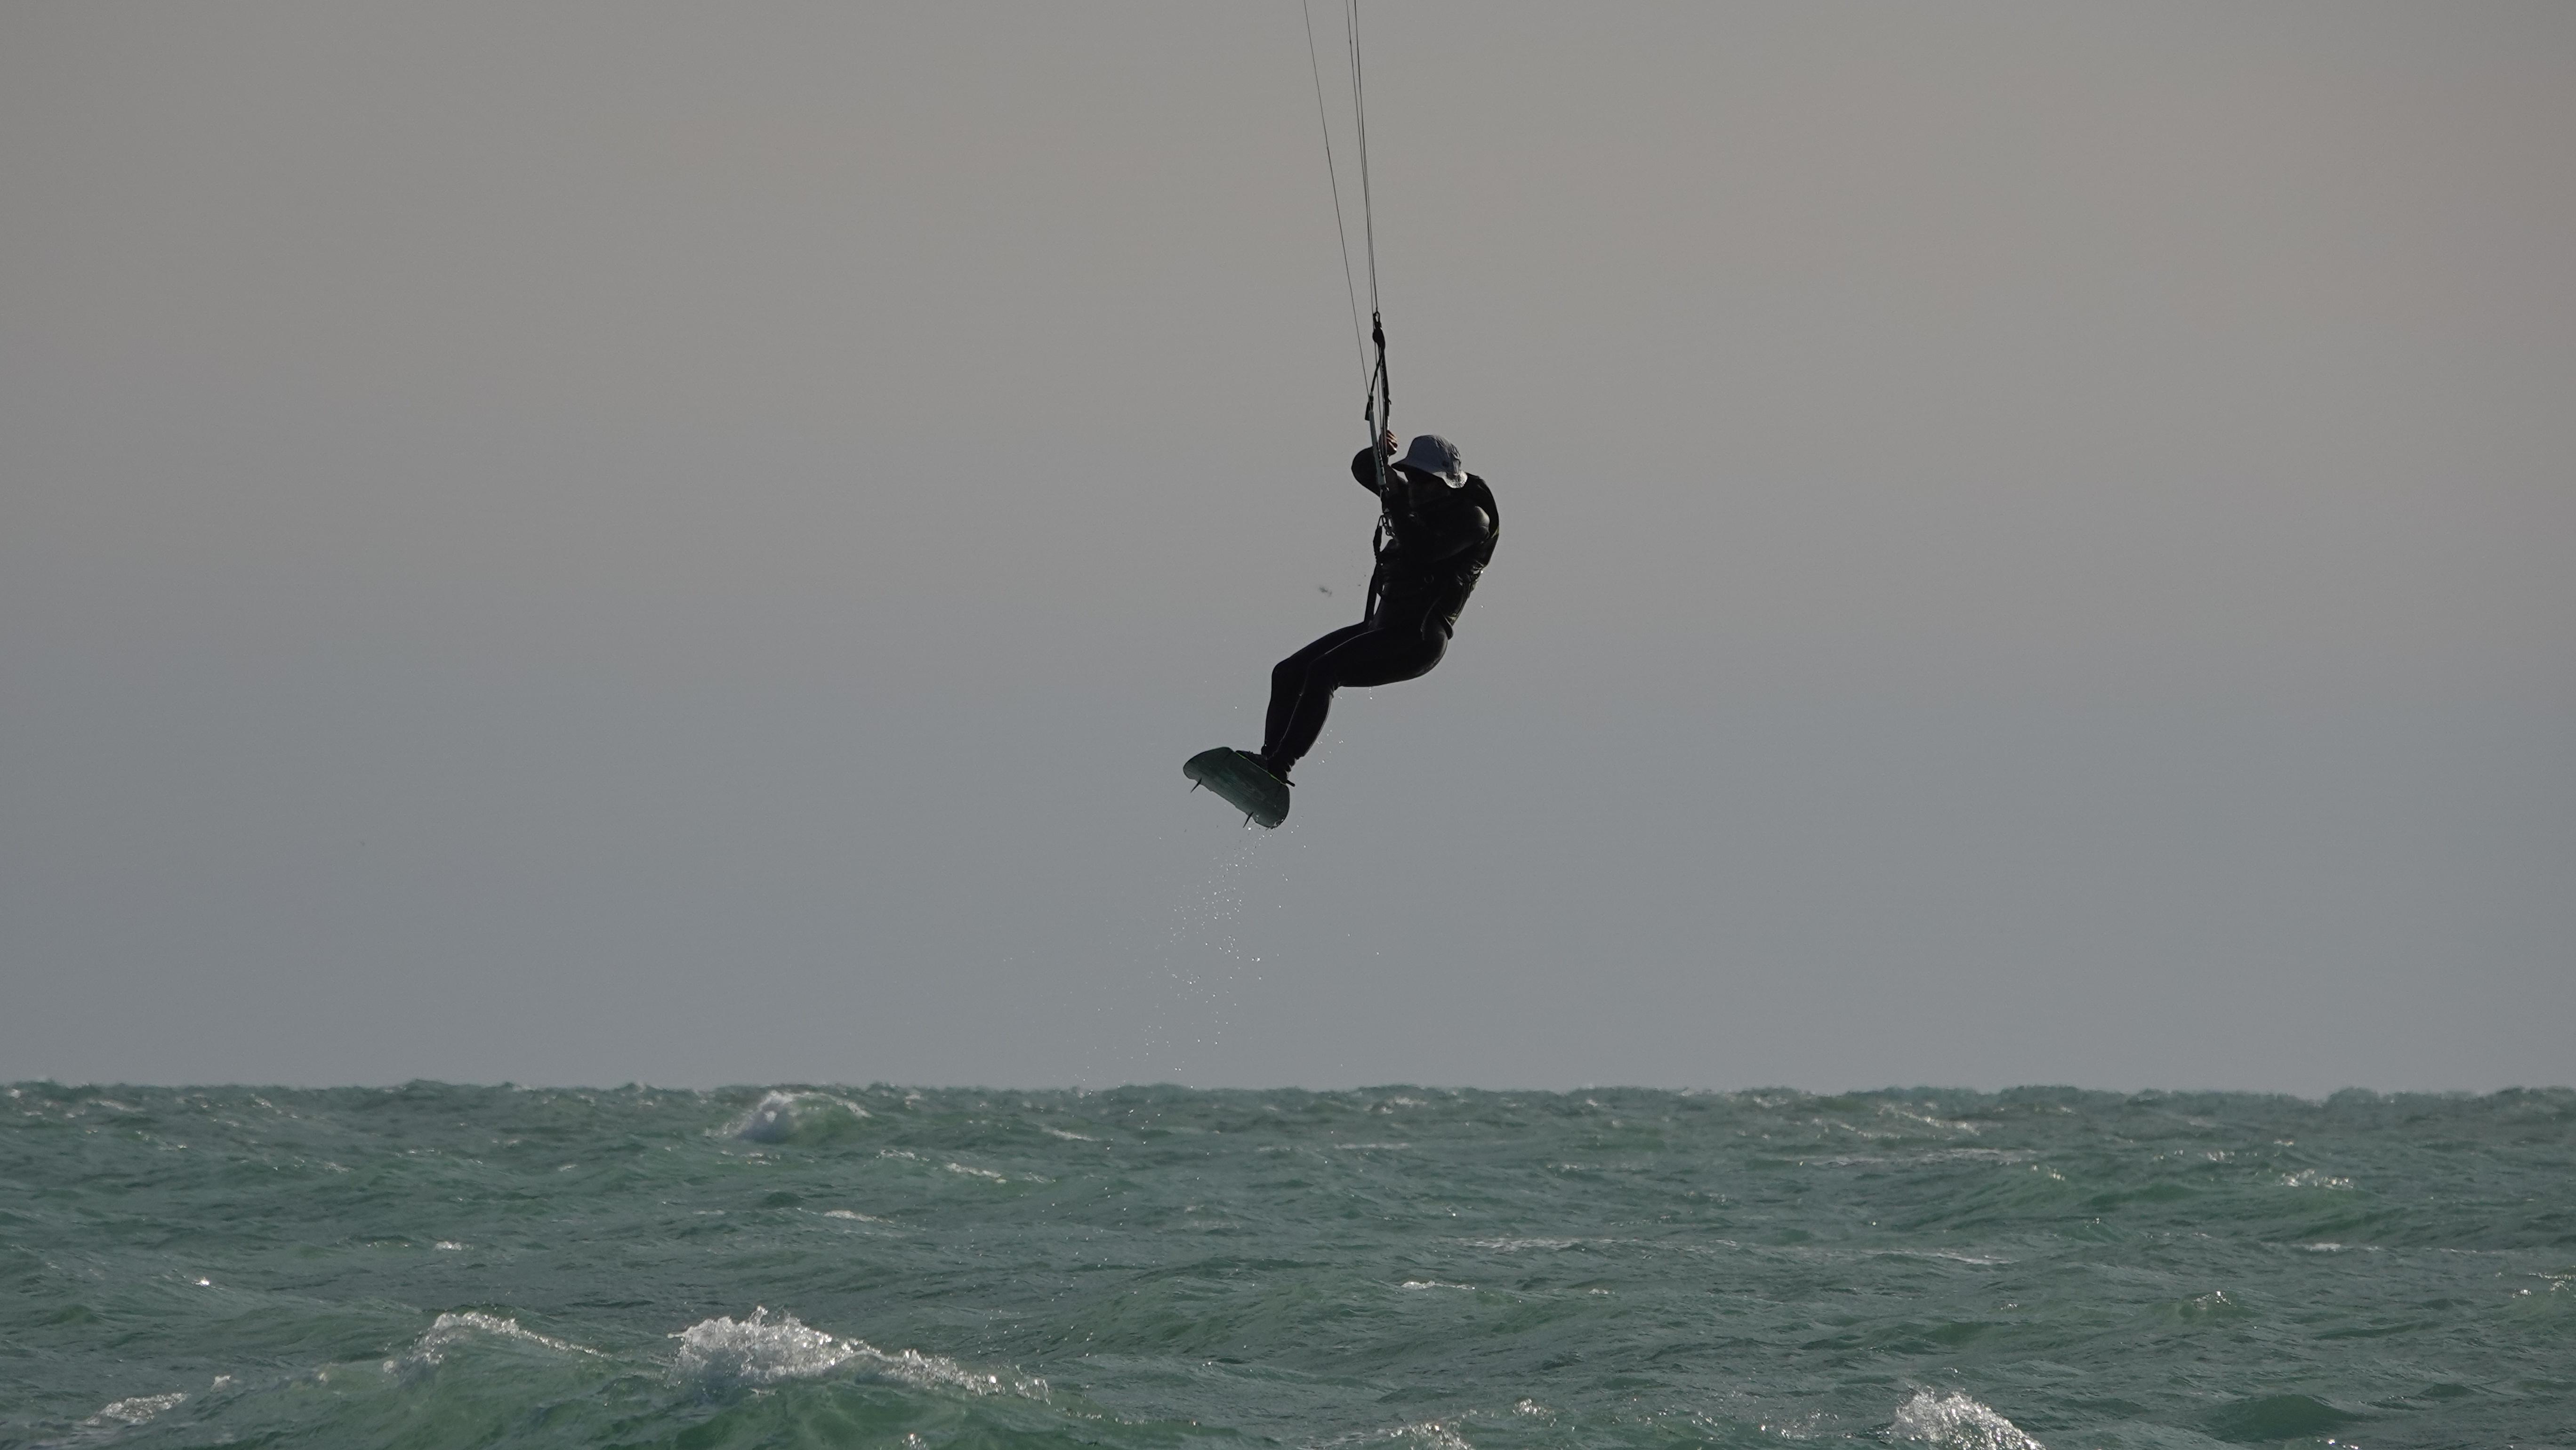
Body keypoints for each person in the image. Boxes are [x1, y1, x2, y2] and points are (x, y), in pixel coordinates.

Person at [1250, 431, 1497, 783]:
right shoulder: (1410, 499)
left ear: (1447, 485)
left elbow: (1423, 552)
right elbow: (1364, 469)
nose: (1416, 487)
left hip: (1417, 637)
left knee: (1324, 671)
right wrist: (1378, 452)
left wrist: (1396, 499)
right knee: (1288, 673)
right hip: (1383, 626)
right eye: (1412, 477)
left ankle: (1280, 767)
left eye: (1425, 481)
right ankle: (1267, 762)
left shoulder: (1473, 520)